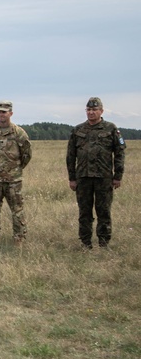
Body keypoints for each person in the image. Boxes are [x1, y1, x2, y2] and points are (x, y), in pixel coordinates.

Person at [66, 97, 126, 249]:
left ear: (101, 111)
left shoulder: (111, 128)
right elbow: (70, 156)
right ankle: (85, 243)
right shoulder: (78, 130)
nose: (91, 112)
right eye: (89, 110)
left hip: (103, 178)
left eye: (94, 110)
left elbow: (119, 153)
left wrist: (118, 176)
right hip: (83, 178)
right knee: (84, 212)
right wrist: (72, 178)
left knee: (104, 211)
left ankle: (104, 243)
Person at [0, 101, 32, 244]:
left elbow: (26, 154)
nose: (1, 114)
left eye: (4, 112)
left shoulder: (19, 133)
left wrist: (15, 169)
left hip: (13, 180)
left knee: (17, 209)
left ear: (11, 113)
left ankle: (19, 238)